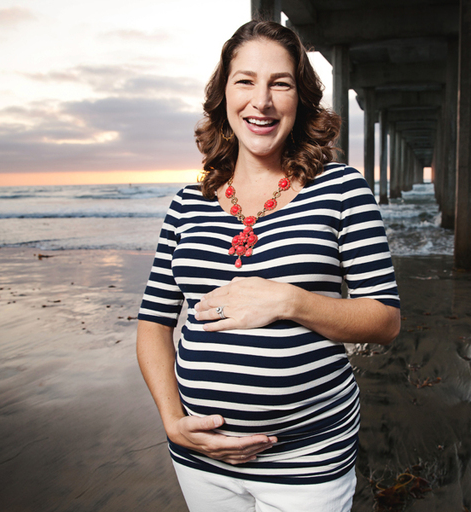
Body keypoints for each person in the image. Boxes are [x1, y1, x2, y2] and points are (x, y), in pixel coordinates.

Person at [136, 19, 400, 512]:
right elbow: (153, 323)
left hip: (308, 459)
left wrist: (288, 300)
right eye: (246, 81)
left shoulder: (342, 191)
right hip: (200, 457)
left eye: (280, 83)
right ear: (223, 96)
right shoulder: (186, 205)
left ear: (300, 98)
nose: (262, 101)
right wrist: (173, 421)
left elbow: (384, 321)